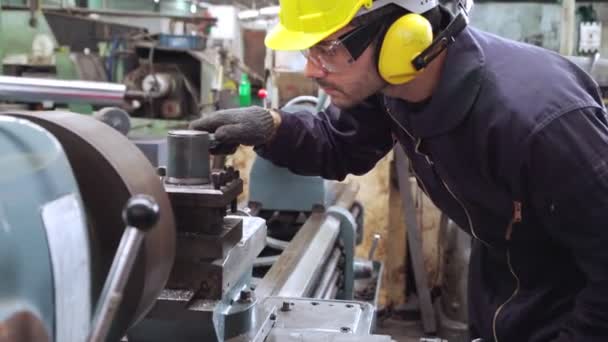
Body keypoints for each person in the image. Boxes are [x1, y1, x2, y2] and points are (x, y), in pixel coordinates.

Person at [190, 0, 608, 341]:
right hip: (503, 299)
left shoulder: (541, 122)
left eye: (328, 48)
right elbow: (340, 146)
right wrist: (272, 128)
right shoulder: (394, 88)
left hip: (572, 315)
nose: (312, 70)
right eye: (308, 51)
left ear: (403, 36)